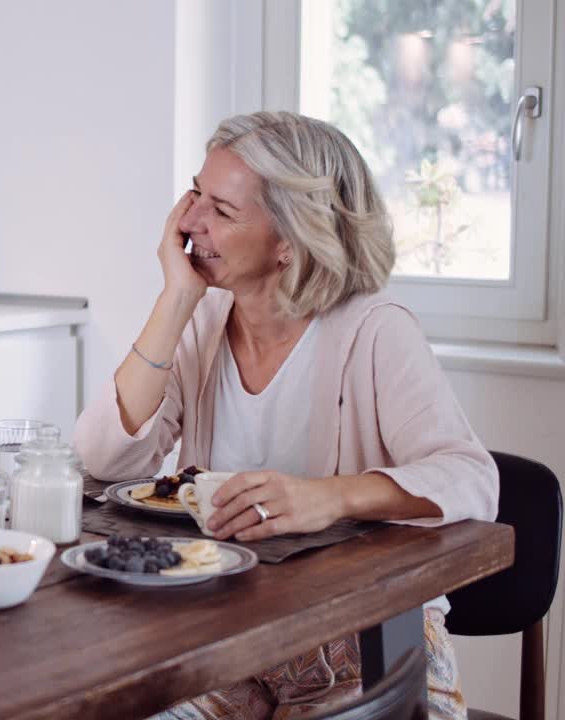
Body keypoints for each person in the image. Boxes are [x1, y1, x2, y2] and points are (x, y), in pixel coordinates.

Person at [73, 111, 497, 719]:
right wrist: (176, 299)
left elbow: (471, 477)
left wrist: (329, 498)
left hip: (359, 637)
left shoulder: (375, 329)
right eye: (195, 193)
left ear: (289, 242)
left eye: (221, 210)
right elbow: (104, 461)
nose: (190, 222)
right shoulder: (202, 321)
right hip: (223, 635)